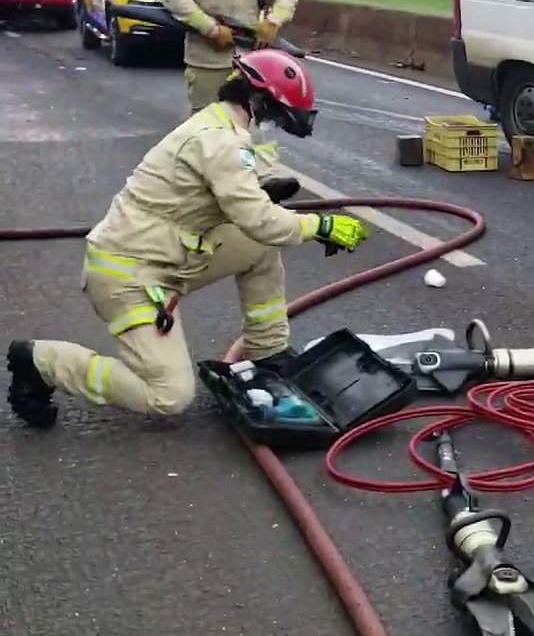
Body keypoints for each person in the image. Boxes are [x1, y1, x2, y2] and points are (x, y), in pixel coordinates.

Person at [5, 50, 369, 428]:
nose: (272, 125)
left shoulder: (221, 123)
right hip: (127, 276)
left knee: (258, 248)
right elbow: (260, 220)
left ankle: (268, 350)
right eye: (276, 116)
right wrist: (321, 226)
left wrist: (266, 195)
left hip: (172, 254)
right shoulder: (220, 141)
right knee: (169, 396)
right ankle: (41, 362)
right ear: (258, 101)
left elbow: (244, 201)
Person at [162, 0, 298, 119]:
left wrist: (273, 21)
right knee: (207, 125)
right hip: (208, 60)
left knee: (247, 127)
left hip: (249, 63)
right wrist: (211, 29)